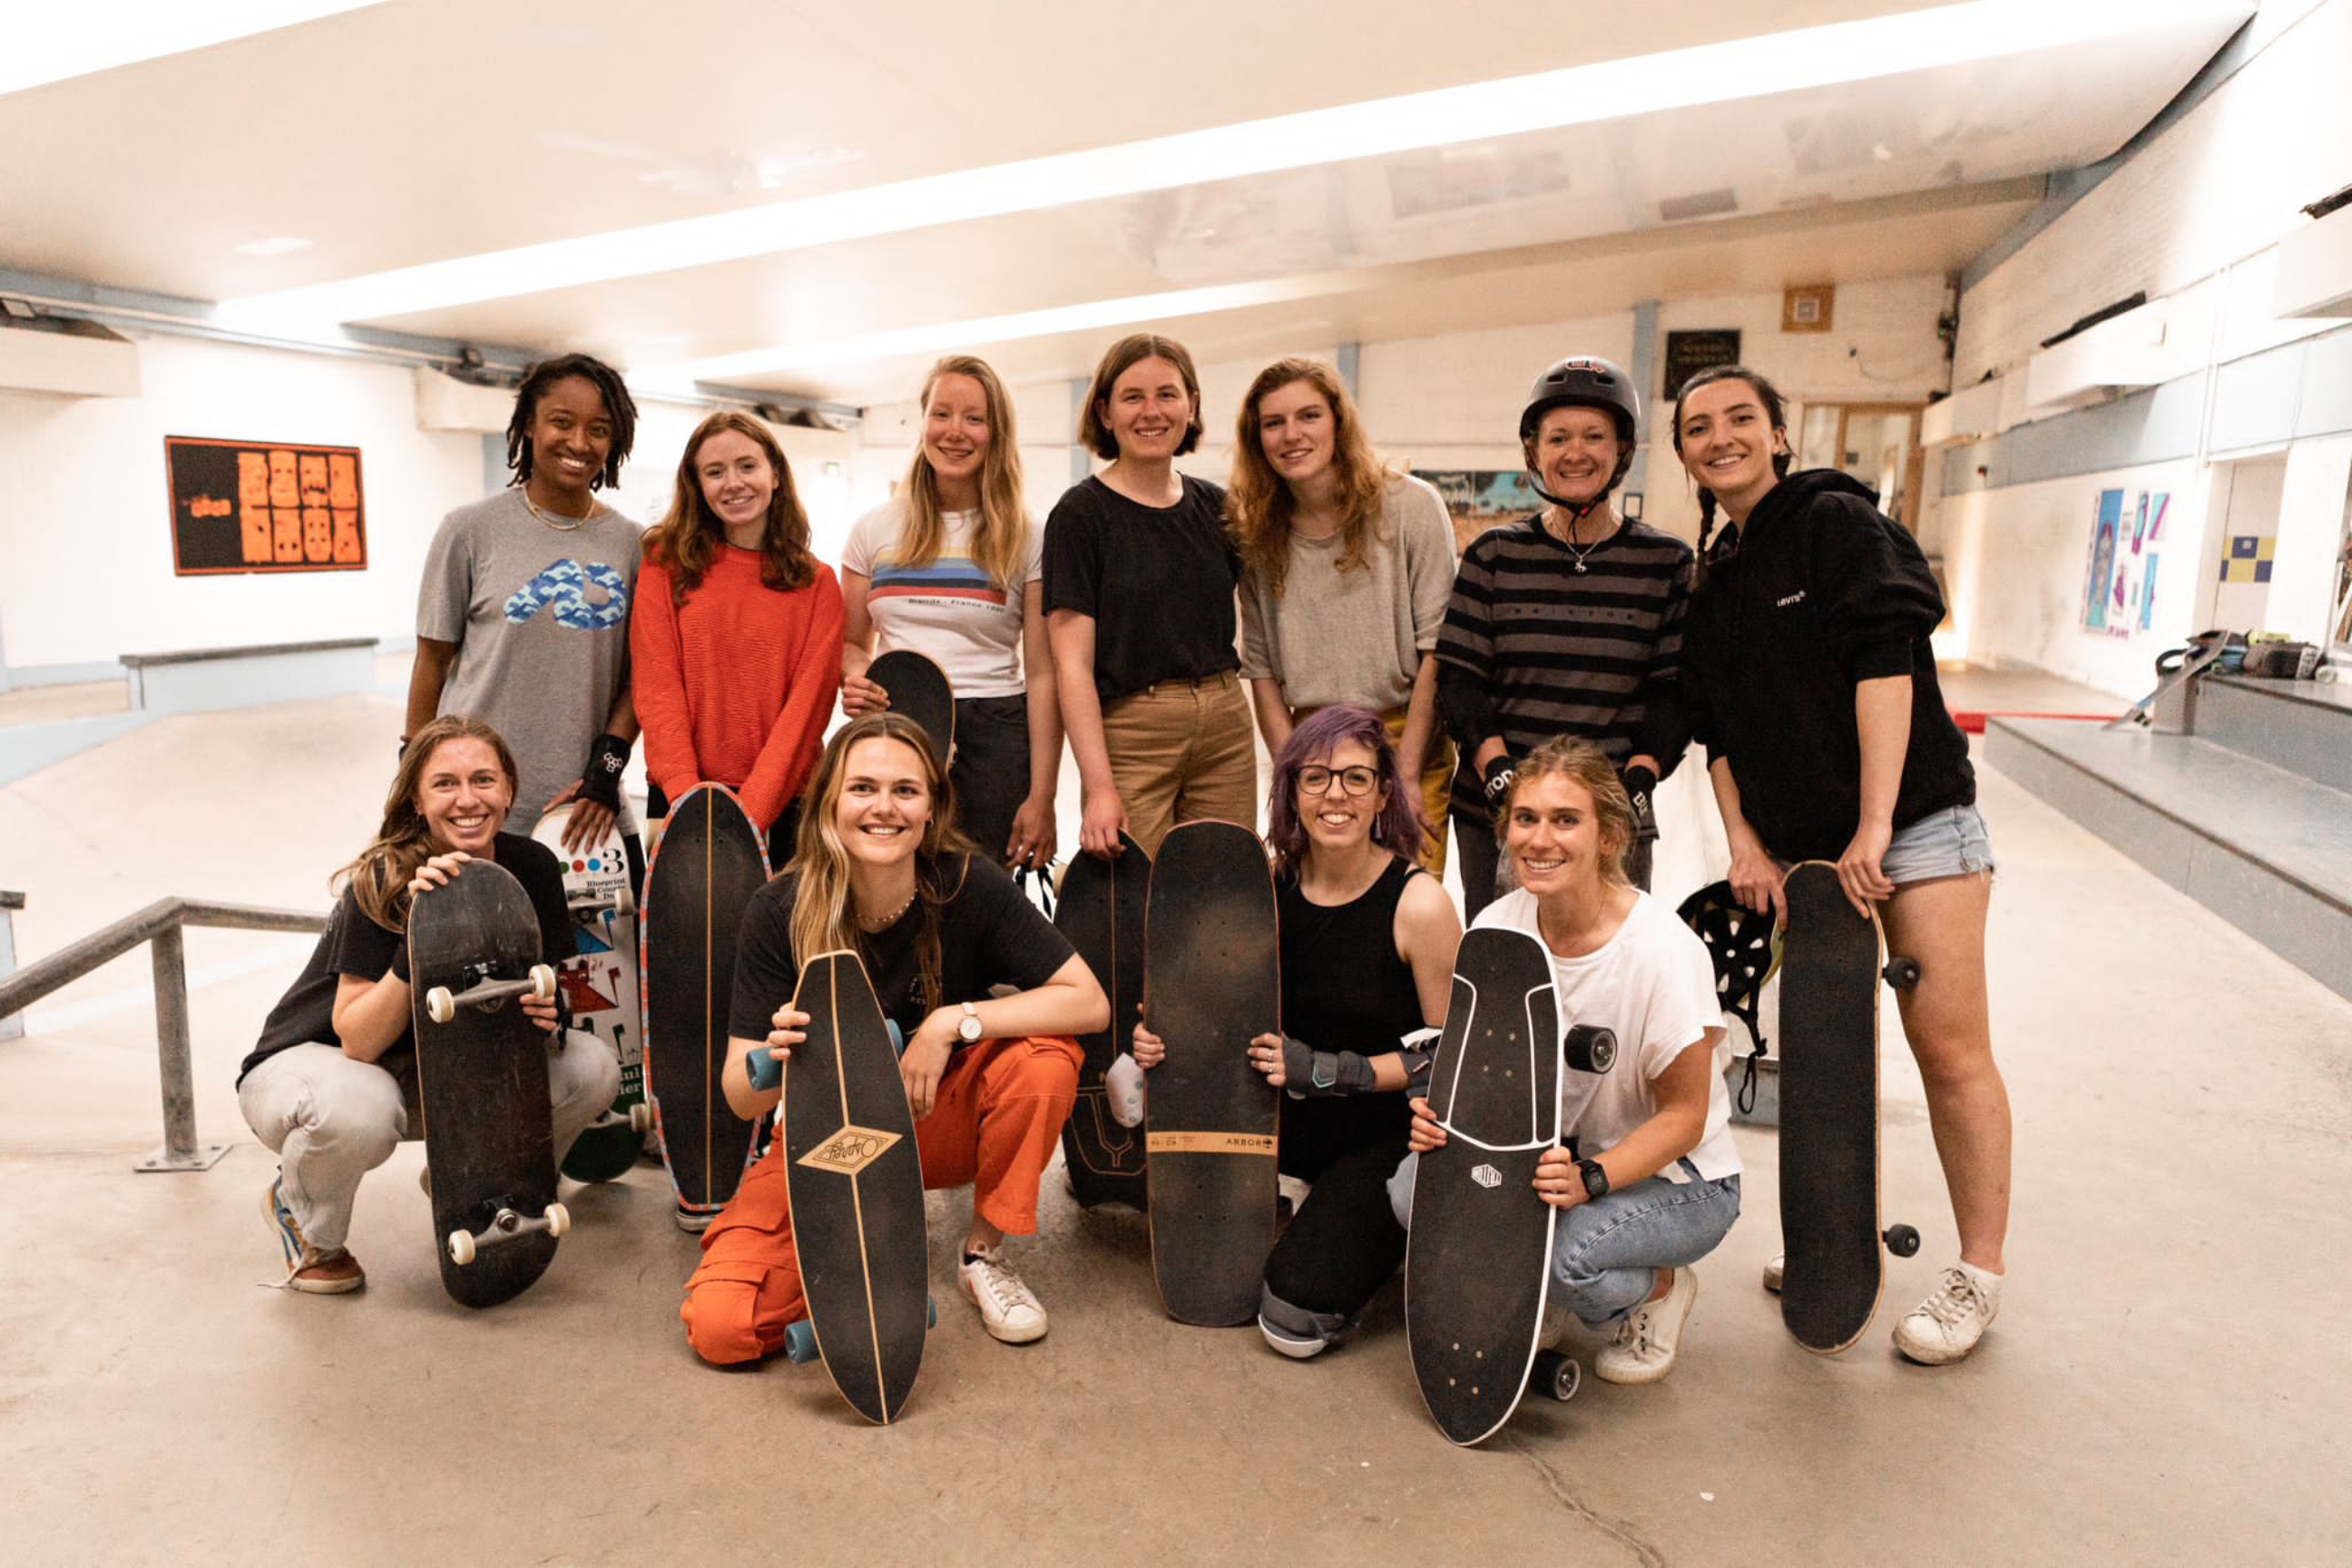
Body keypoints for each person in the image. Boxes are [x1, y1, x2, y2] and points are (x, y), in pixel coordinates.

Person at [1671, 364, 2009, 1366]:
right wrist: (1745, 844)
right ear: (1684, 452)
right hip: (1804, 860)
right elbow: (1715, 733)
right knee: (1823, 1059)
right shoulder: (1719, 572)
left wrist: (1872, 826)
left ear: (1780, 434)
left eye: (1741, 418)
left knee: (1946, 1048)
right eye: (1699, 426)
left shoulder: (1836, 525)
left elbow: (1886, 667)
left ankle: (1976, 1272)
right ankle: (1835, 1239)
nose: (1720, 436)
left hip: (1915, 826)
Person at [678, 714, 1109, 1361]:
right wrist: (779, 1056)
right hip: (829, 1142)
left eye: (906, 791)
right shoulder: (779, 909)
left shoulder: (968, 884)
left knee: (1044, 1059)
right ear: (829, 804)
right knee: (723, 1327)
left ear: (931, 809)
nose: (884, 808)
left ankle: (981, 1256)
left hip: (937, 1117)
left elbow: (1089, 1002)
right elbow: (741, 1096)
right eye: (862, 789)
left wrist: (951, 1023)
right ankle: (865, 1269)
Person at [1391, 737, 1739, 1385]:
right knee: (1414, 1196)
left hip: (1678, 1179)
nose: (1539, 839)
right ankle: (1544, 1284)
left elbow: (1687, 1117)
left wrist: (1593, 1180)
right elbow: (1478, 1070)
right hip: (1552, 1155)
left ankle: (1659, 1289)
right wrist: (1438, 1117)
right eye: (1526, 818)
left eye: (1565, 820)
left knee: (1566, 1254)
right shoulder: (1499, 927)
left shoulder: (1663, 952)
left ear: (1608, 838)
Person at [236, 716, 622, 1292]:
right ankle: (305, 1220)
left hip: (437, 1068)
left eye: (484, 780)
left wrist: (548, 1013)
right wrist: (421, 931)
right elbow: (358, 1040)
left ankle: (474, 1180)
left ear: (509, 790)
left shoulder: (532, 868)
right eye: (445, 783)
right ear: (417, 799)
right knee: (359, 1107)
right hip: (318, 1067)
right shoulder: (384, 876)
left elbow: (547, 990)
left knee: (590, 1068)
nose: (467, 799)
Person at [1129, 706, 1457, 1357]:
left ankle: (1383, 1226)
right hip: (1283, 1116)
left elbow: (1451, 1058)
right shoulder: (1266, 886)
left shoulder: (1418, 904)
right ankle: (1307, 1200)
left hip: (1382, 1130)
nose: (1335, 795)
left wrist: (1336, 1070)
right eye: (1316, 777)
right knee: (1140, 1101)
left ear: (1384, 794)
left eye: (1356, 778)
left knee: (1292, 1321)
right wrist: (1159, 1036)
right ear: (1291, 791)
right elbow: (1207, 1006)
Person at [1436, 356, 1690, 916]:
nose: (1576, 452)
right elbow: (1461, 684)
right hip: (1499, 814)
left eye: (1594, 436)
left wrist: (1635, 786)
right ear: (1534, 452)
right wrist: (1504, 783)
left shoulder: (1664, 562)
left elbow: (1673, 691)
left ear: (1622, 450)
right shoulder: (1494, 555)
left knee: (1609, 973)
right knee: (1506, 971)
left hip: (1612, 816)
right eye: (1559, 438)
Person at [407, 353, 645, 867]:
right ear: (529, 427)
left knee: (602, 948)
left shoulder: (633, 545)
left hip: (584, 813)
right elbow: (431, 662)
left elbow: (639, 678)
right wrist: (414, 781)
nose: (579, 443)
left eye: (599, 429)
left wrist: (604, 773)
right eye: (562, 422)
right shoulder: (469, 531)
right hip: (478, 812)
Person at [1229, 358, 1457, 872]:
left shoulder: (1412, 508)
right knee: (1323, 907)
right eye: (1274, 423)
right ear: (1256, 437)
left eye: (1308, 416)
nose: (1292, 435)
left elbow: (1436, 653)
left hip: (1404, 736)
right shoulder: (1257, 531)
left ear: (1338, 421)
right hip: (1311, 742)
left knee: (1405, 899)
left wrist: (1409, 774)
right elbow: (1261, 669)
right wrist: (1295, 777)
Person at [840, 356, 1060, 872]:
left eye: (974, 418)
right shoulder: (874, 529)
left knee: (979, 898)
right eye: (942, 414)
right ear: (923, 423)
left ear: (996, 433)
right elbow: (852, 644)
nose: (955, 432)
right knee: (886, 884)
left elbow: (1045, 672)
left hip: (994, 732)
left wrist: (1043, 796)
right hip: (896, 720)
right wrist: (856, 679)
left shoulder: (1028, 534)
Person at [1044, 333, 1254, 858]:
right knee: (1138, 897)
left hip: (1225, 720)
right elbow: (1072, 667)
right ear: (1105, 412)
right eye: (1132, 396)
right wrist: (1099, 789)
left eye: (1167, 394)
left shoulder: (1217, 507)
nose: (1151, 412)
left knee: (1224, 892)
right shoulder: (1080, 515)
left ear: (1192, 406)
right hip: (1134, 732)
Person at [632, 411, 843, 866]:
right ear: (697, 486)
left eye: (747, 466)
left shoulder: (817, 583)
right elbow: (657, 688)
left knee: (778, 938)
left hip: (783, 805)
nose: (734, 483)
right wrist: (689, 807)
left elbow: (805, 715)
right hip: (679, 799)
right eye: (715, 472)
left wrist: (748, 818)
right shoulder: (663, 562)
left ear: (776, 475)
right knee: (680, 939)